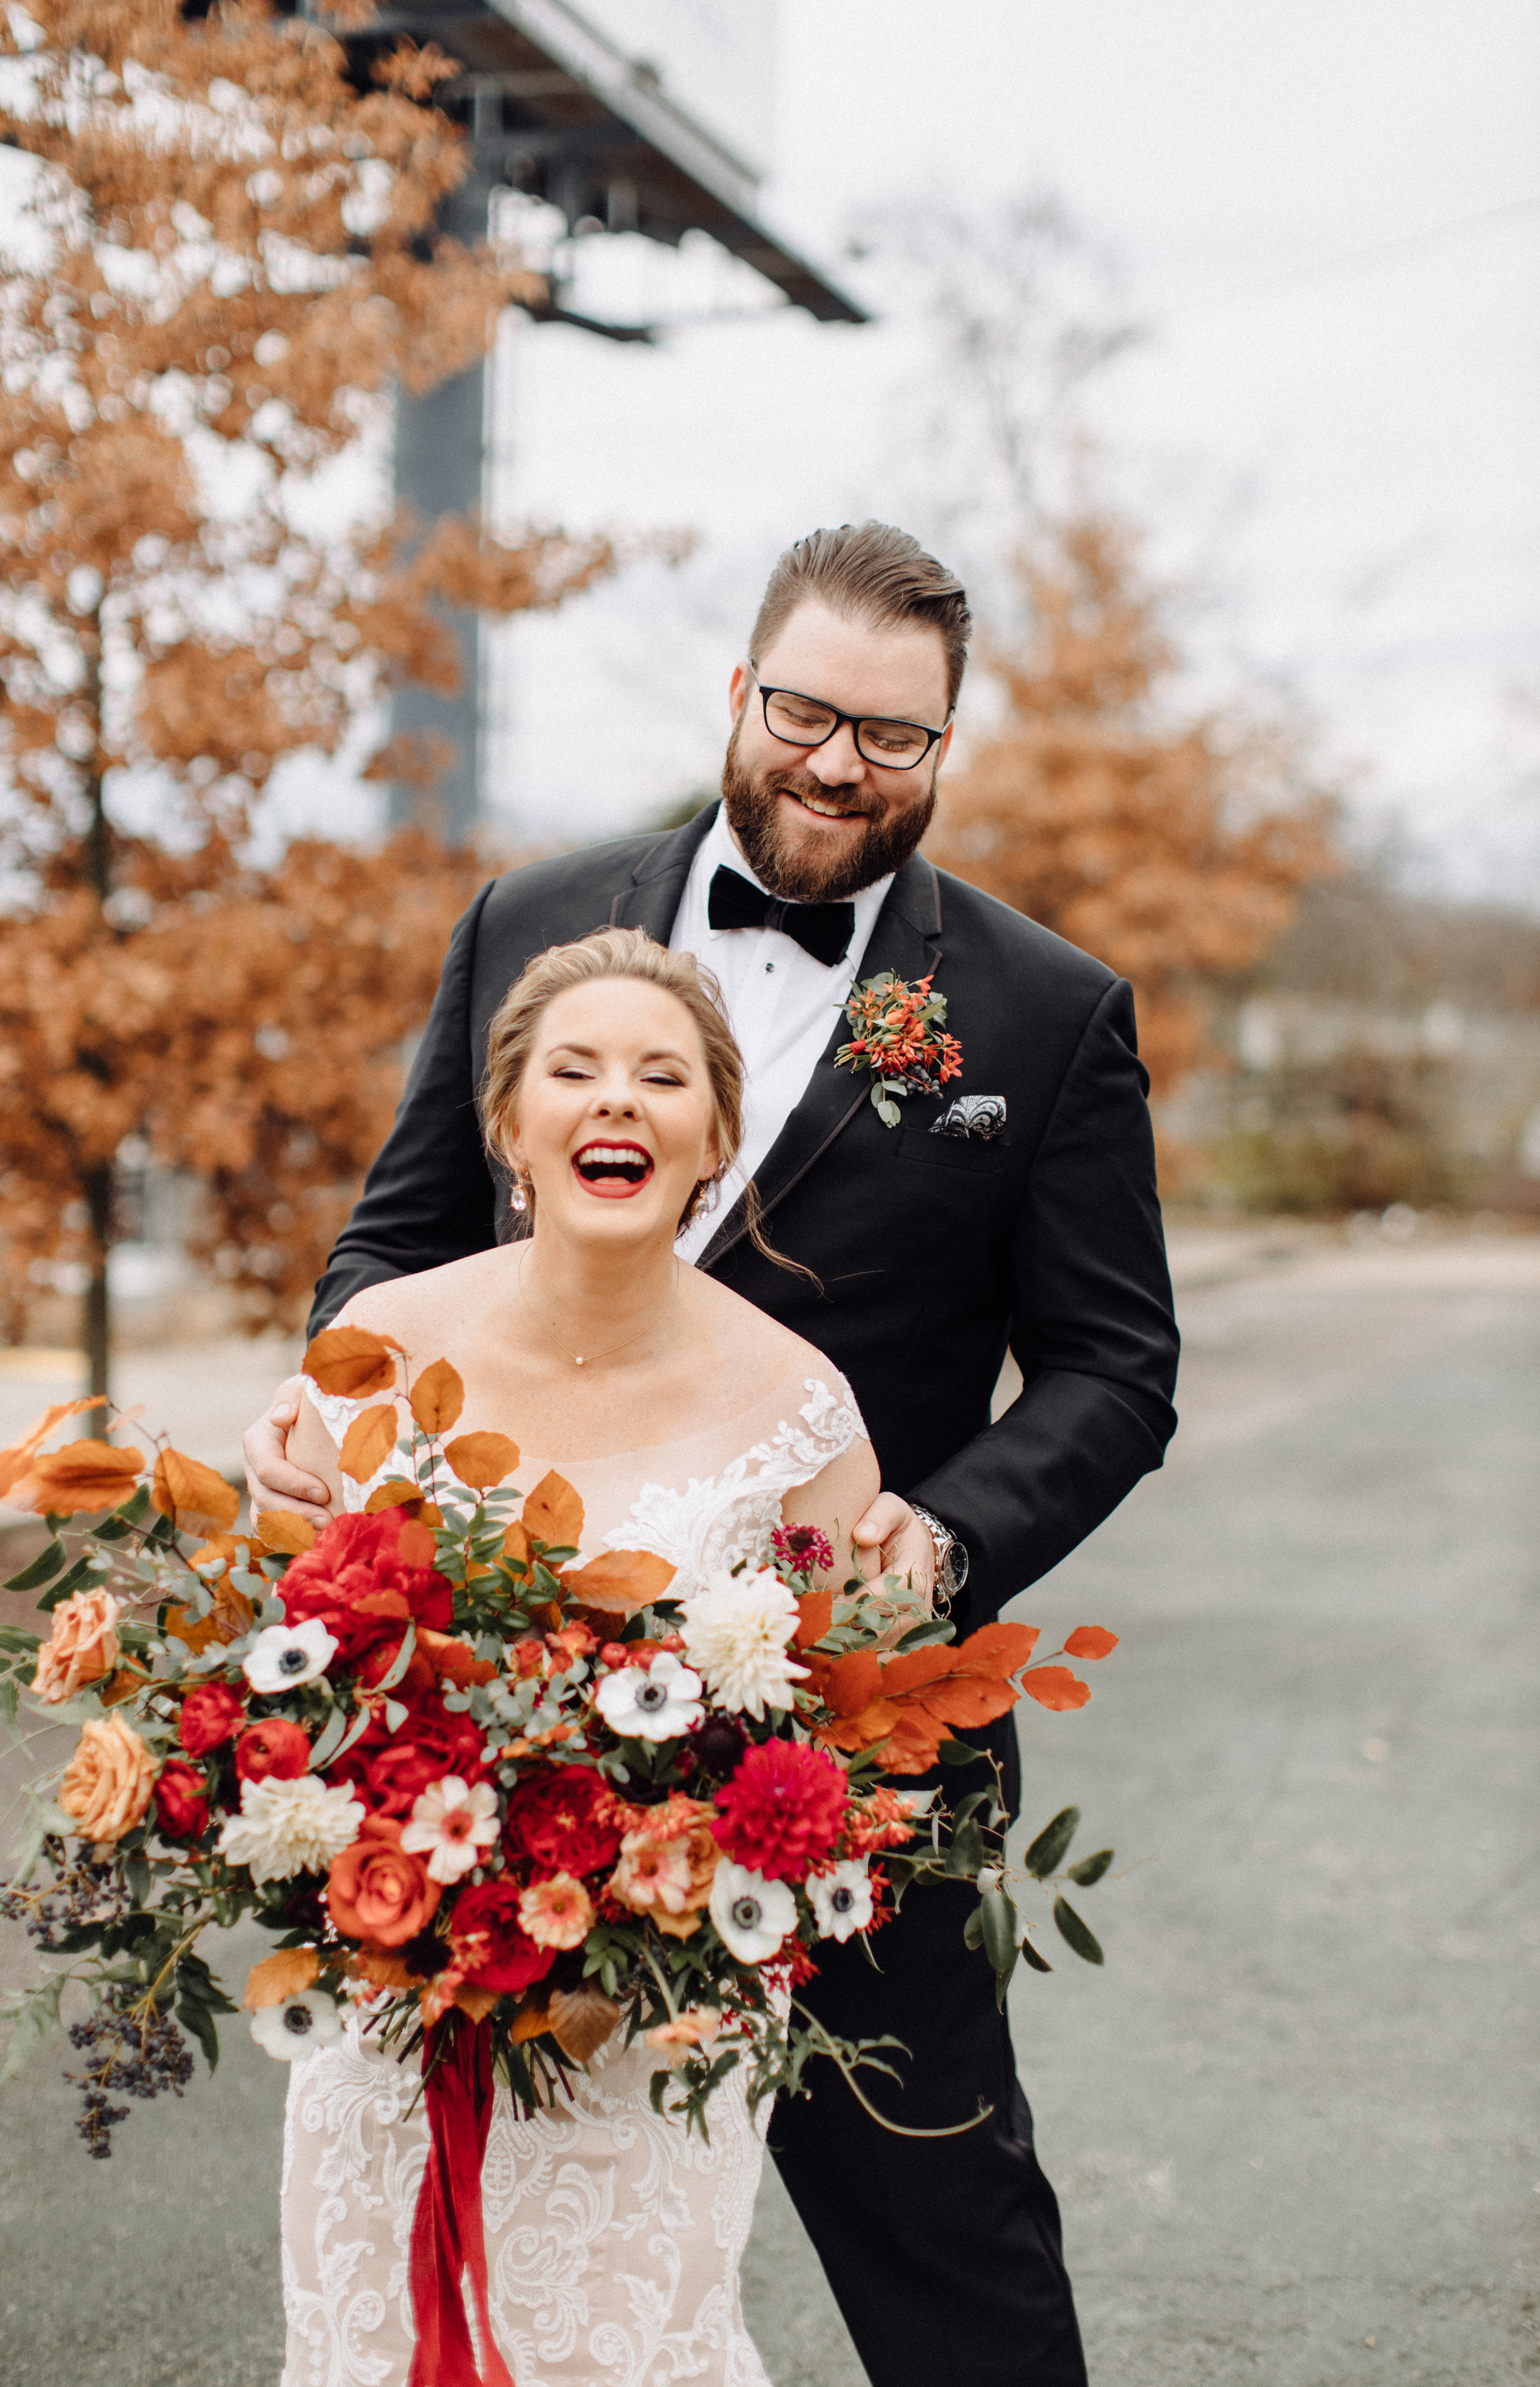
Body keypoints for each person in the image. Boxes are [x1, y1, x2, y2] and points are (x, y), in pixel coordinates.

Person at [247, 521, 1180, 2387]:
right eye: (809, 711)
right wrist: (329, 1403)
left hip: (843, 1724)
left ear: (945, 745)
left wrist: (937, 1536)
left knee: (945, 2216)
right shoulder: (530, 912)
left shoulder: (1040, 1007)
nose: (841, 763)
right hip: (492, 1718)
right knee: (488, 2210)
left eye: (894, 737)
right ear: (737, 691)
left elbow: (1113, 1361)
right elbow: (397, 1237)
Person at [279, 929, 879, 2386]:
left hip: (657, 2031)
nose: (618, 1100)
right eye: (576, 1070)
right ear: (510, 1126)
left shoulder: (800, 1408)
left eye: (662, 1076)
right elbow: (273, 1675)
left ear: (715, 1137)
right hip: (399, 2006)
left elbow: (843, 1741)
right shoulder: (376, 1348)